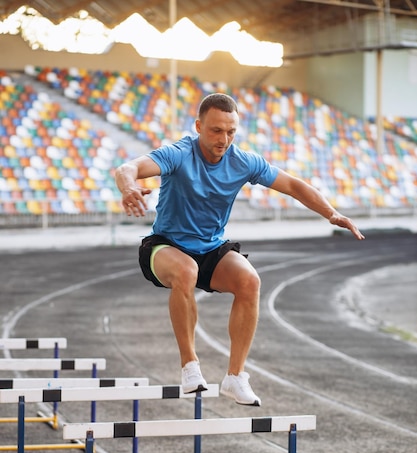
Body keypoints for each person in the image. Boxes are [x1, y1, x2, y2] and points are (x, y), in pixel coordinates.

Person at [115, 92, 365, 406]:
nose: (224, 139)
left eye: (231, 131)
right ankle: (190, 367)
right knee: (186, 271)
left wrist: (331, 213)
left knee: (250, 281)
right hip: (164, 248)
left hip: (211, 248)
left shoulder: (243, 161)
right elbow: (127, 168)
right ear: (198, 126)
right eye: (216, 130)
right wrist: (129, 187)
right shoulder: (178, 154)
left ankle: (235, 377)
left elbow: (294, 185)